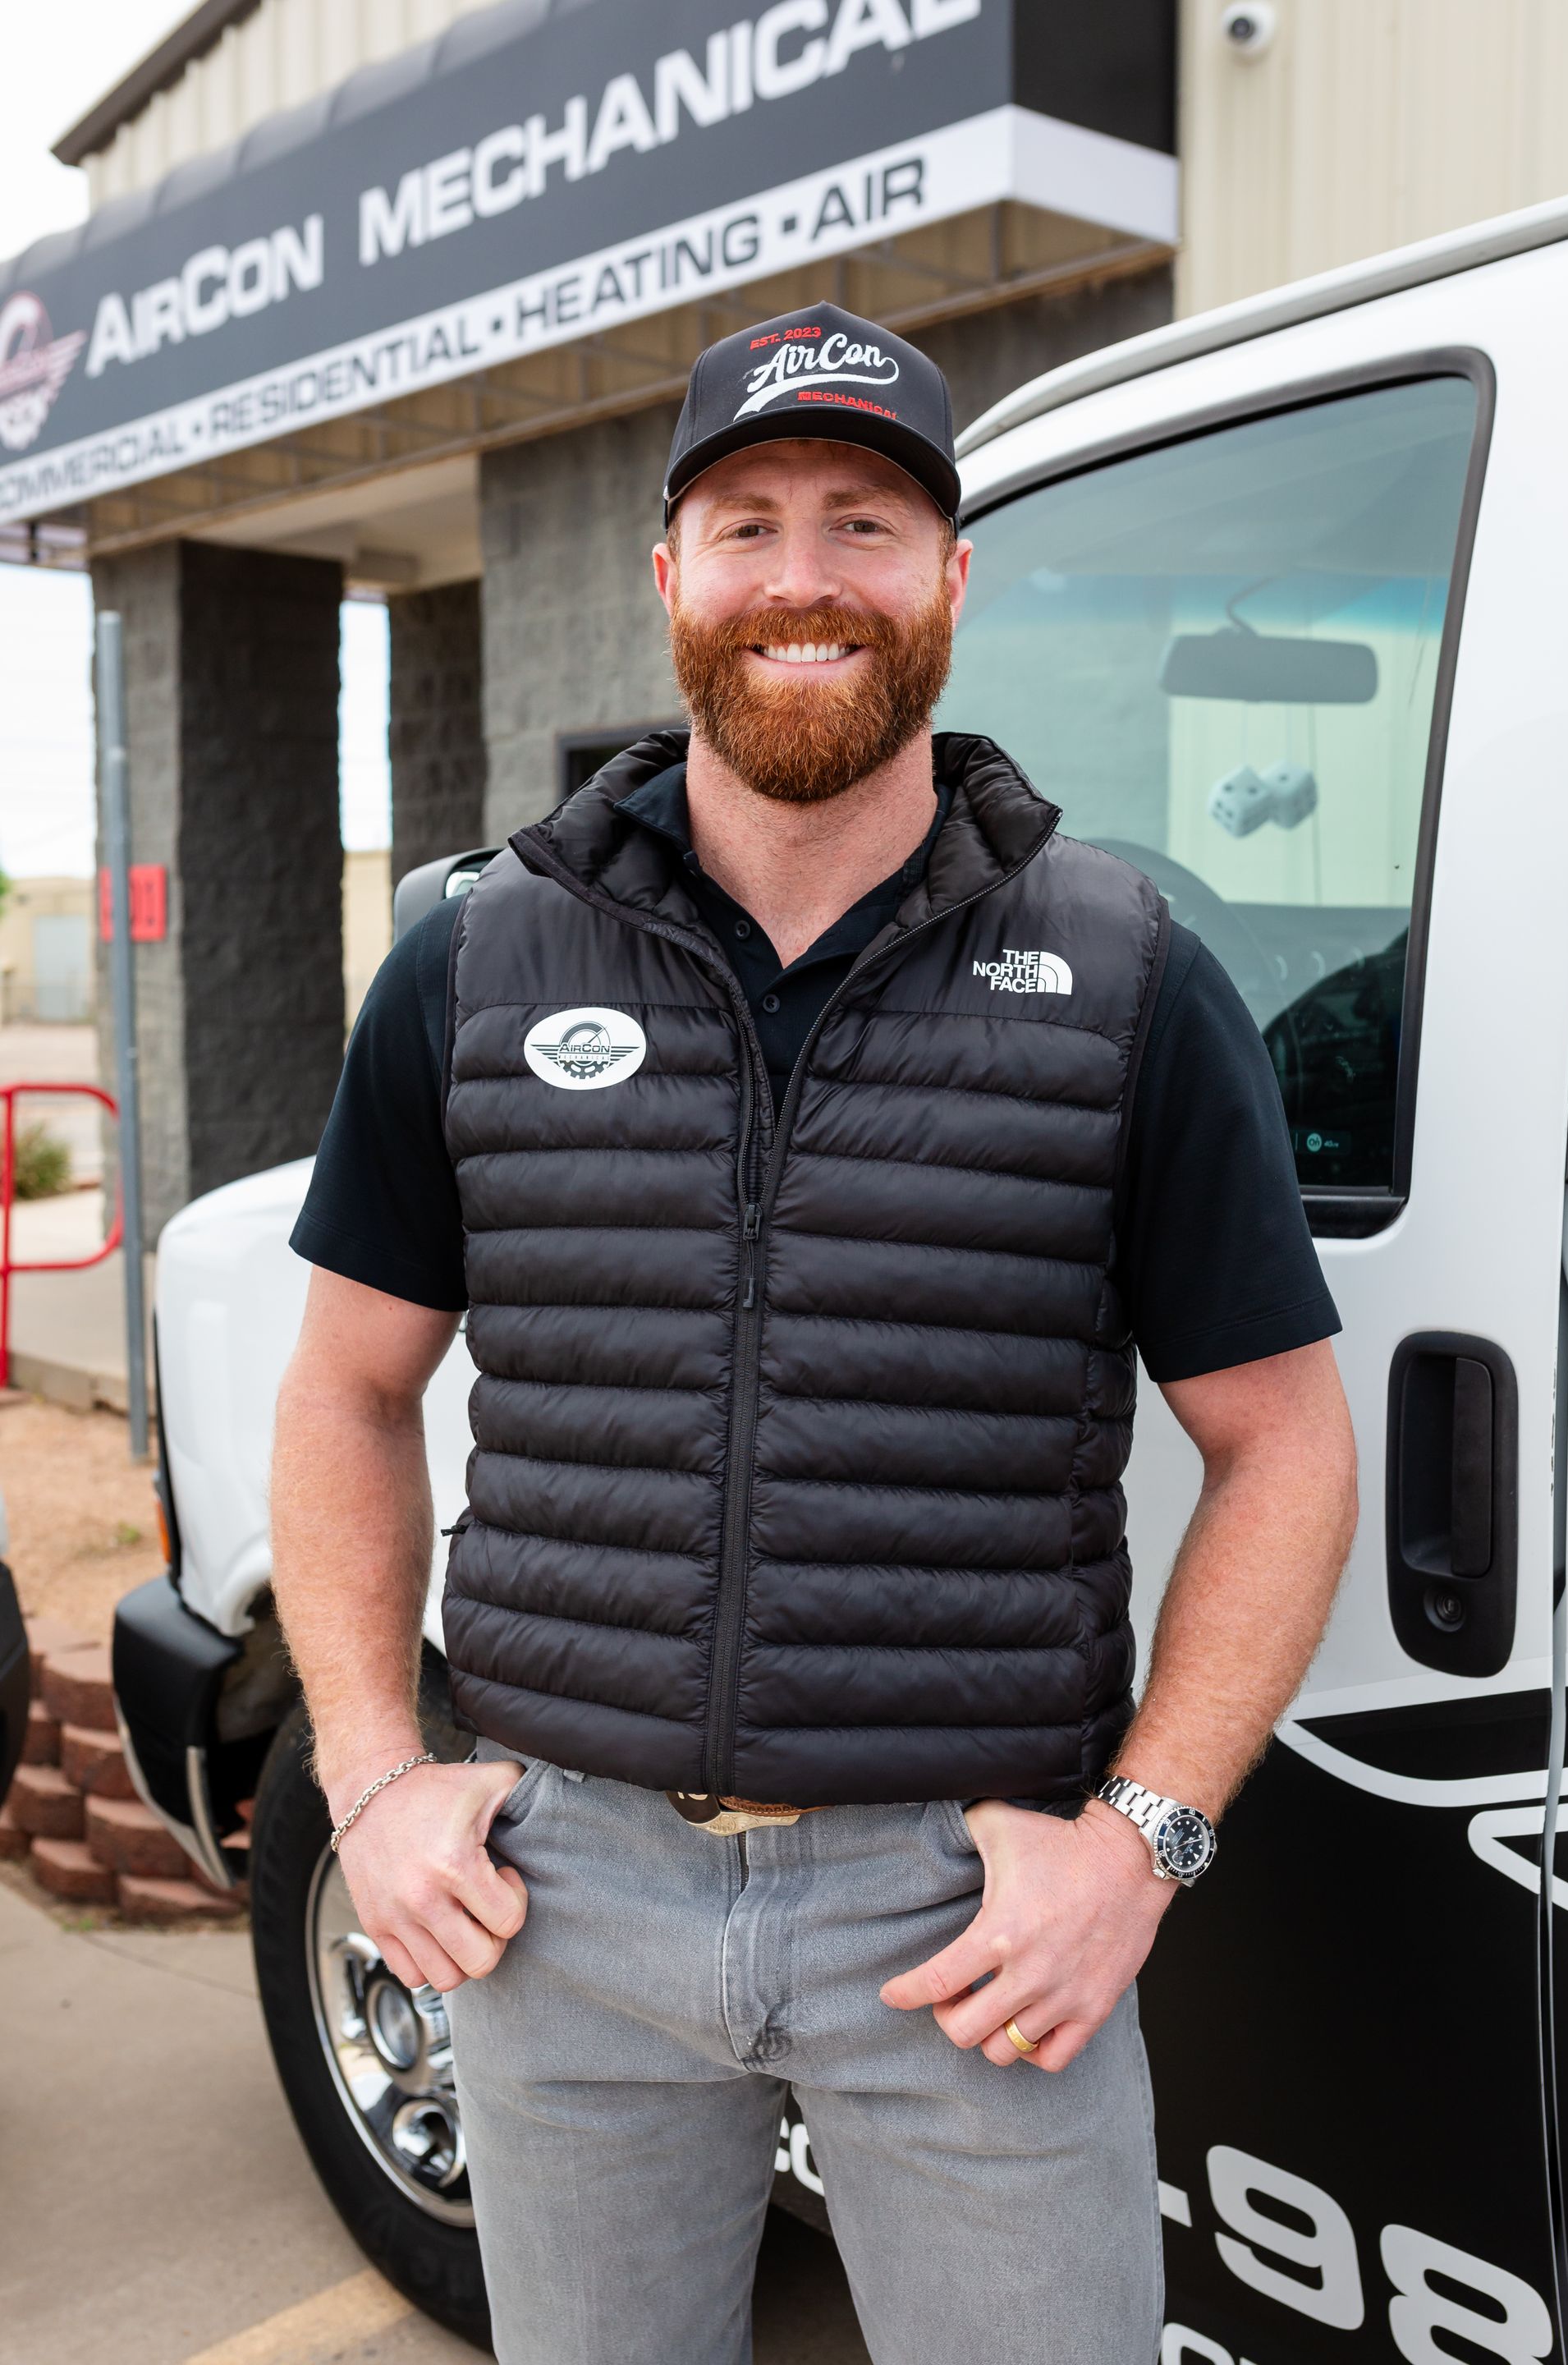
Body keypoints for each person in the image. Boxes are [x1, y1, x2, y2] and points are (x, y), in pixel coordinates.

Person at [272, 301, 1357, 2365]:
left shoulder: (1129, 974)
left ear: (953, 581)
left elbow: (1287, 1443)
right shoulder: (475, 960)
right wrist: (370, 1773)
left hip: (963, 1924)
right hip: (557, 1905)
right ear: (672, 579)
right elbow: (347, 1387)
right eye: (748, 522)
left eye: (864, 523)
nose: (803, 580)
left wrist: (1143, 1843)